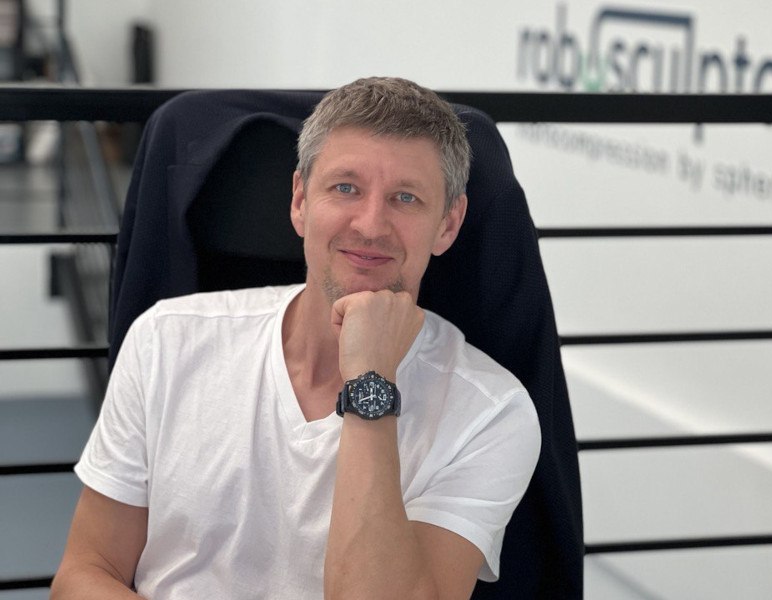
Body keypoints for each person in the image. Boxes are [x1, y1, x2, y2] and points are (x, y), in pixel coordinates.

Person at [51, 77, 540, 600]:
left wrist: (371, 380)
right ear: (301, 201)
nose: (371, 225)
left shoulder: (492, 411)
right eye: (345, 188)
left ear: (448, 224)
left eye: (406, 197)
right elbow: (83, 574)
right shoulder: (167, 339)